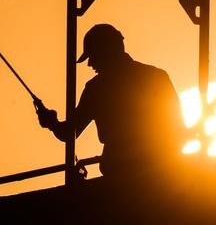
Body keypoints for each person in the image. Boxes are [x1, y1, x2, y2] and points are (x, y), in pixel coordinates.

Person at [36, 24, 188, 180]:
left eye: (92, 56)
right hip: (162, 171)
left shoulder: (96, 88)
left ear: (105, 52)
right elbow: (178, 129)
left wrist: (51, 122)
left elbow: (69, 133)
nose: (89, 64)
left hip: (119, 175)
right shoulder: (157, 77)